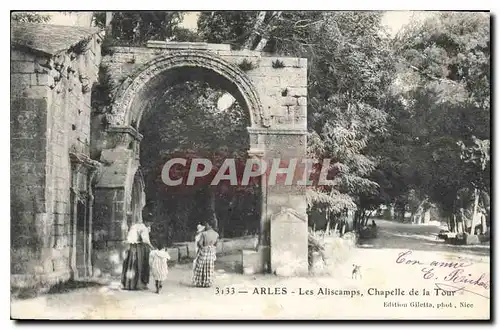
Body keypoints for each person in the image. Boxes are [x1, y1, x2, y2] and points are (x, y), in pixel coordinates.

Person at [121, 221, 155, 290]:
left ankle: (128, 284)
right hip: (139, 248)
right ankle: (139, 284)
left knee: (131, 265)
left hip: (131, 247)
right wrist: (151, 247)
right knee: (139, 265)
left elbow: (130, 238)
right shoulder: (143, 228)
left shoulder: (134, 226)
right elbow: (145, 240)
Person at [192, 221, 219, 288]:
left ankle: (200, 282)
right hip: (211, 252)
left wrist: (203, 248)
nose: (205, 226)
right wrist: (211, 247)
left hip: (204, 251)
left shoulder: (204, 234)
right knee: (209, 267)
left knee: (200, 266)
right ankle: (207, 282)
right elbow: (216, 244)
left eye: (207, 225)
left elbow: (200, 243)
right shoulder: (216, 234)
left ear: (210, 225)